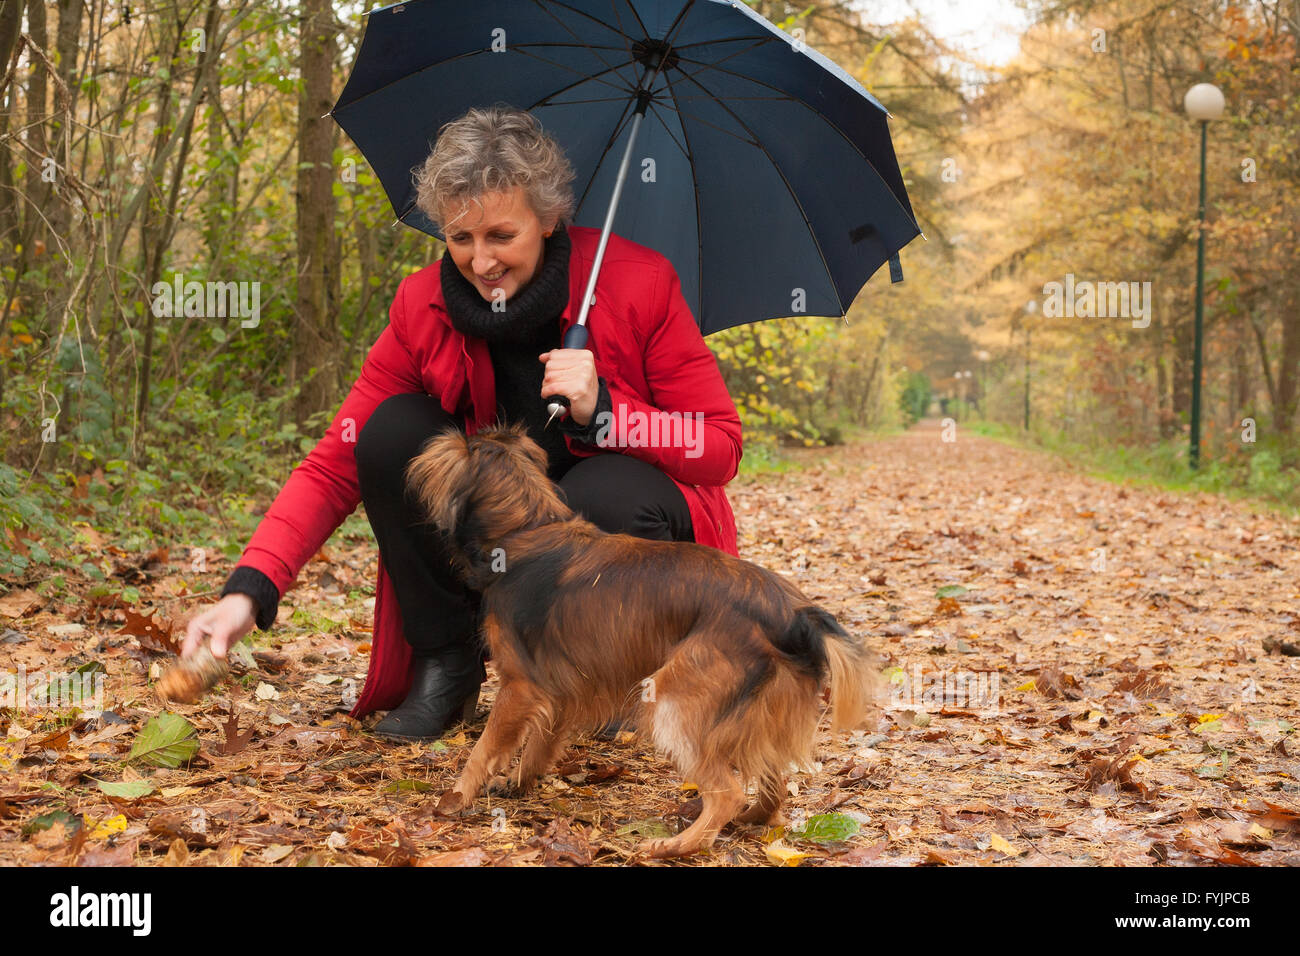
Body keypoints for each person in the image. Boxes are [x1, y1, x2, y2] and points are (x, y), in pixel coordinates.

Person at [182, 105, 743, 739]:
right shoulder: (419, 306)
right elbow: (337, 458)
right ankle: (449, 663)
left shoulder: (638, 282)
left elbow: (719, 446)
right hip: (501, 542)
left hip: (607, 532)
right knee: (392, 431)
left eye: (502, 235)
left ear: (550, 220)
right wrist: (247, 592)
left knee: (603, 491)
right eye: (461, 237)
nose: (481, 262)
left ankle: (599, 674)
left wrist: (607, 411)